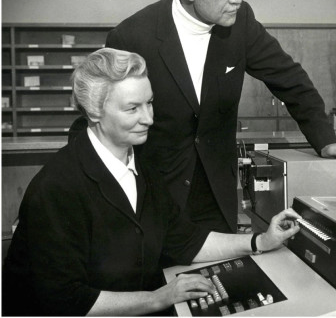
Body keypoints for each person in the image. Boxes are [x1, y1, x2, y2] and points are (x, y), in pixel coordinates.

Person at [2, 48, 301, 316]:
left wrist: (261, 241)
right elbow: (65, 300)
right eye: (132, 108)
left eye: (150, 103)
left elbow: (186, 240)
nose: (148, 118)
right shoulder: (56, 187)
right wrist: (159, 298)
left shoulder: (143, 165)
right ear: (94, 111)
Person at [105, 0, 336, 234]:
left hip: (215, 196)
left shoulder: (240, 22)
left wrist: (326, 140)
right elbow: (106, 123)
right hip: (153, 196)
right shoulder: (131, 35)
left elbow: (290, 79)